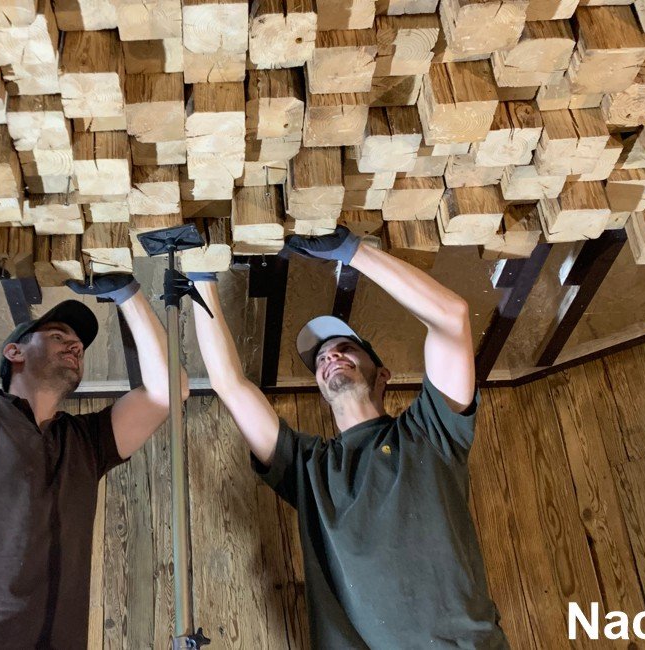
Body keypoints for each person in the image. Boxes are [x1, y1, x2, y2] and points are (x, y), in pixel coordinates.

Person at [188, 228, 508, 648]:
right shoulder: (307, 470)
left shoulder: (432, 432)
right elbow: (229, 384)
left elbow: (452, 316)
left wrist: (351, 250)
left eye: (344, 348)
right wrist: (199, 275)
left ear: (383, 373)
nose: (330, 357)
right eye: (321, 359)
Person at [0, 260, 178, 649]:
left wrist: (128, 293)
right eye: (58, 335)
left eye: (78, 344)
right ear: (14, 351)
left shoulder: (86, 442)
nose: (75, 345)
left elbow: (168, 393)